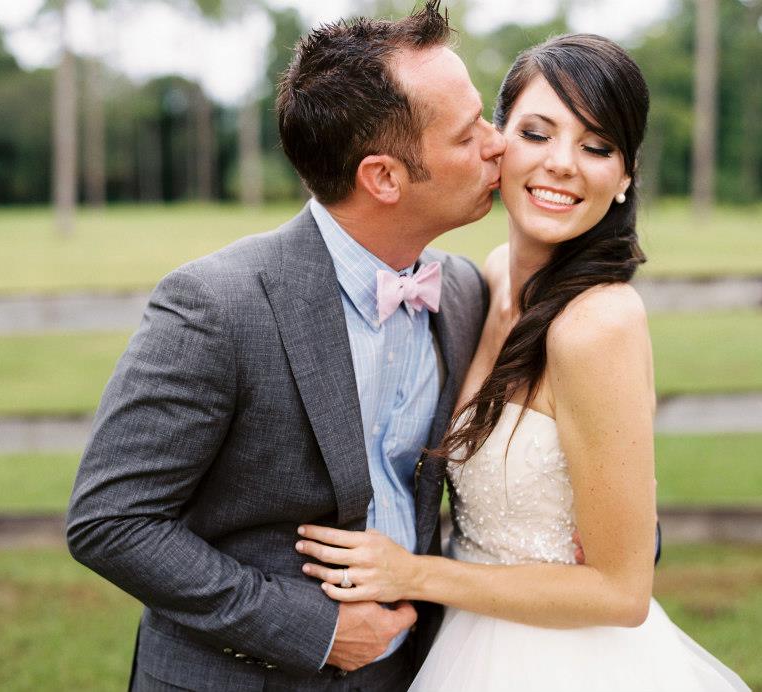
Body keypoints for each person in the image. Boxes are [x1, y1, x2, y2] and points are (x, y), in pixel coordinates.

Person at [66, 2, 505, 690]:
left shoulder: (467, 293)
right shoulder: (217, 305)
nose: (498, 142)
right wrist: (316, 629)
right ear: (383, 177)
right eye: (467, 133)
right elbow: (110, 522)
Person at [294, 34, 751, 691]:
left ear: (624, 178)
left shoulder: (599, 324)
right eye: (537, 133)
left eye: (597, 147)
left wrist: (412, 573)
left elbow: (623, 592)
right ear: (497, 142)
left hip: (563, 660)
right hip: (468, 638)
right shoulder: (491, 278)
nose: (564, 164)